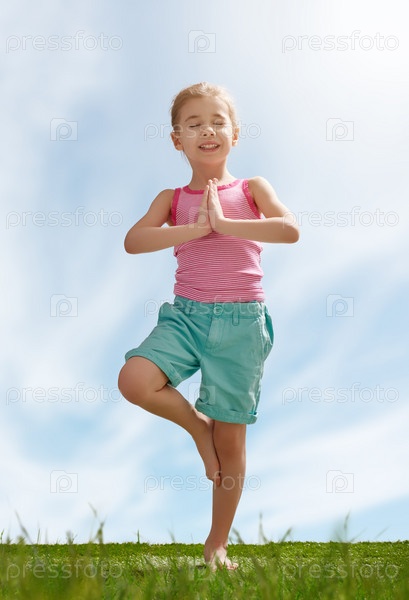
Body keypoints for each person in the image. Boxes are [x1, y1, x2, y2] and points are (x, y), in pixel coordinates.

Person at [118, 82, 299, 570]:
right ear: (177, 139)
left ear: (234, 133)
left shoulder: (252, 189)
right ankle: (199, 430)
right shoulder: (173, 198)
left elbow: (290, 229)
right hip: (187, 316)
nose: (207, 130)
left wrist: (225, 224)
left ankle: (216, 543)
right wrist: (196, 228)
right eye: (194, 124)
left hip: (242, 323)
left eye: (217, 122)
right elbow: (134, 241)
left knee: (232, 441)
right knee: (135, 380)